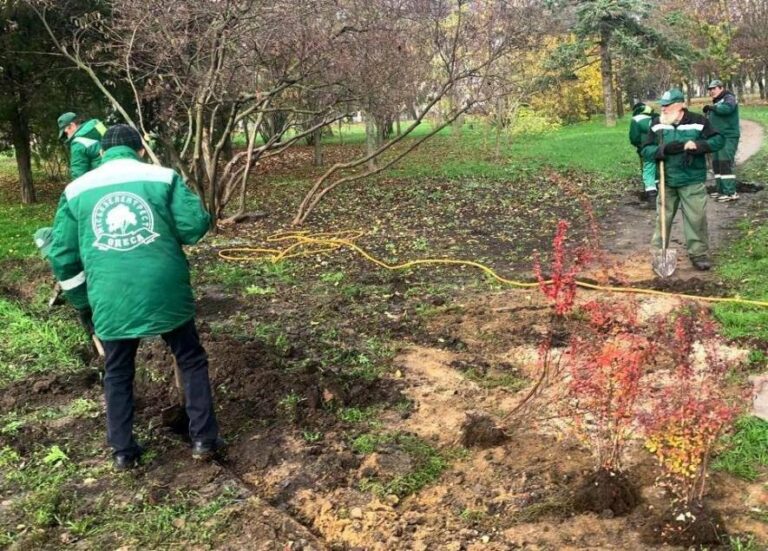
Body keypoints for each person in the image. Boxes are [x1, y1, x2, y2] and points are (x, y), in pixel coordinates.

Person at [48, 124, 224, 470]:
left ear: (101, 154)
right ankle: (204, 438)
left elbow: (62, 255)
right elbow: (193, 227)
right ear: (140, 149)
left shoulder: (76, 190)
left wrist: (82, 303)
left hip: (110, 294)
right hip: (164, 286)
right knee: (189, 357)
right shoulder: (163, 178)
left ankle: (123, 451)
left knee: (116, 370)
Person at [641, 88, 724, 271]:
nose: (663, 109)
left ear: (680, 106)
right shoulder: (657, 124)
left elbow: (719, 140)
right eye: (662, 106)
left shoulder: (699, 122)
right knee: (662, 218)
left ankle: (698, 254)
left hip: (692, 179)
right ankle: (658, 253)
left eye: (667, 106)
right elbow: (645, 149)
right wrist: (661, 151)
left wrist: (699, 145)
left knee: (696, 218)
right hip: (666, 180)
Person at [703, 79, 740, 202]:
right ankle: (721, 190)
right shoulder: (718, 101)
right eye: (710, 89)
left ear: (721, 88)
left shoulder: (729, 97)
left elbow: (727, 109)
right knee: (716, 163)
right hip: (717, 137)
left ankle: (731, 192)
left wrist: (713, 108)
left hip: (728, 136)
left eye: (714, 89)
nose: (711, 91)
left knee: (725, 162)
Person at [57, 112, 108, 180]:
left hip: (100, 182)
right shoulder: (100, 129)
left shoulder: (78, 143)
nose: (67, 136)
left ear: (72, 125)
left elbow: (78, 175)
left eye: (65, 133)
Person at [629, 102, 658, 208]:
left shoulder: (636, 119)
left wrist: (639, 146)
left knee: (648, 172)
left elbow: (634, 137)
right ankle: (660, 194)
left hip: (646, 149)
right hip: (662, 148)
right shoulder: (656, 117)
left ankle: (652, 199)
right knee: (658, 171)